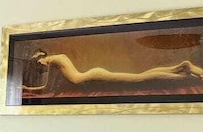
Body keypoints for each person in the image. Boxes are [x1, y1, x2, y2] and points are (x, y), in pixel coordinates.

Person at [24, 48, 203, 88]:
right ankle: (182, 69)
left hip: (93, 75)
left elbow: (47, 88)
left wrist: (27, 88)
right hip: (94, 73)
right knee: (140, 76)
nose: (41, 67)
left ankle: (184, 70)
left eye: (38, 64)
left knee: (140, 78)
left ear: (41, 60)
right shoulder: (59, 57)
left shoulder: (54, 61)